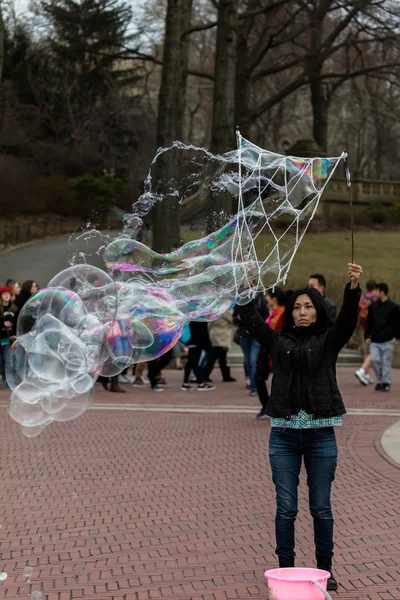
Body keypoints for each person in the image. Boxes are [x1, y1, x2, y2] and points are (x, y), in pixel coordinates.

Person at [235, 263, 363, 591]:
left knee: (321, 506)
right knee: (286, 508)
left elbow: (348, 321)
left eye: (308, 307)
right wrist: (245, 289)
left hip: (321, 435)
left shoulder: (328, 340)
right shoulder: (279, 341)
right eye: (296, 307)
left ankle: (326, 570)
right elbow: (251, 321)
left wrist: (352, 288)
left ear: (318, 311)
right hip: (284, 435)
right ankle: (286, 570)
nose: (302, 312)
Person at [255, 287, 286, 419]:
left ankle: (277, 408)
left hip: (277, 351)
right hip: (266, 350)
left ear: (274, 299)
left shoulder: (283, 313)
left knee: (279, 380)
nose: (266, 298)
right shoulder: (272, 312)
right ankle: (266, 405)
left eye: (268, 296)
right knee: (258, 377)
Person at [365, 283, 400, 392]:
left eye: (376, 291)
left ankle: (386, 382)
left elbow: (398, 323)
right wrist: (367, 335)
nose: (374, 293)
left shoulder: (394, 306)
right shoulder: (372, 306)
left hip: (388, 340)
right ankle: (380, 380)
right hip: (375, 340)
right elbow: (369, 322)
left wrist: (396, 336)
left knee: (386, 362)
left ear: (382, 291)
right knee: (375, 360)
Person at [233, 291, 268, 396]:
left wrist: (256, 326)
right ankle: (248, 378)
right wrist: (239, 319)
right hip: (244, 335)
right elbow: (234, 318)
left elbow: (266, 316)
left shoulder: (260, 299)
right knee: (247, 359)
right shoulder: (240, 300)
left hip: (256, 335)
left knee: (253, 361)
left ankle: (254, 387)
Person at [354, 279, 377, 385]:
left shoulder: (363, 298)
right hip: (373, 328)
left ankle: (365, 375)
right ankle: (362, 371)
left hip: (363, 327)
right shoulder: (376, 298)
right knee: (373, 351)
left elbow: (358, 311)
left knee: (366, 351)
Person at [181, 322, 215, 391]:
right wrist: (207, 344)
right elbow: (202, 331)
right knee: (195, 363)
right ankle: (201, 384)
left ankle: (185, 383)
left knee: (190, 363)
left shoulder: (194, 317)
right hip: (197, 342)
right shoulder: (200, 318)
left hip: (192, 341)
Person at [205, 310, 236, 382]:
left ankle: (226, 376)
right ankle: (205, 375)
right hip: (222, 336)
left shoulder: (214, 310)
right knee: (215, 357)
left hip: (214, 335)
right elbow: (233, 320)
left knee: (221, 357)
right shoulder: (225, 310)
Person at [0, 286, 18, 388]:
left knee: (8, 359)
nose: (6, 295)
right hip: (0, 337)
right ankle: (3, 377)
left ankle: (7, 381)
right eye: (4, 294)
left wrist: (16, 333)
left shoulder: (14, 308)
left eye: (8, 294)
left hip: (9, 338)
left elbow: (16, 322)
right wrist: (3, 325)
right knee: (1, 360)